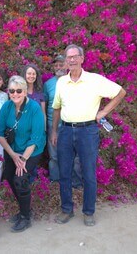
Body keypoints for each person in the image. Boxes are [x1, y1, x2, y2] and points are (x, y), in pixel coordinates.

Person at [51, 44, 126, 226]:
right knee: (65, 173)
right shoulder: (61, 82)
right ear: (66, 61)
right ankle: (66, 210)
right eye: (69, 57)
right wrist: (54, 130)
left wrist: (103, 113)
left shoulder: (95, 80)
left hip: (87, 131)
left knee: (89, 173)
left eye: (75, 56)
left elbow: (120, 92)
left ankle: (88, 212)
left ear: (82, 59)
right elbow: (57, 108)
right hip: (66, 131)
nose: (72, 60)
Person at [0, 76, 46, 233]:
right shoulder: (7, 107)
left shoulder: (34, 108)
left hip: (31, 151)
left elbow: (36, 137)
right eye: (12, 91)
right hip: (13, 150)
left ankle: (25, 217)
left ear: (25, 92)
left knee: (20, 178)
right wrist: (13, 155)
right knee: (9, 176)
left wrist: (23, 159)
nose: (15, 94)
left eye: (19, 90)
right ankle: (25, 209)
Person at [43, 55, 83, 187]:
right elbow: (46, 103)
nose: (58, 67)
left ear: (66, 65)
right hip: (52, 124)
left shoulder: (73, 81)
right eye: (56, 65)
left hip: (71, 125)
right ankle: (55, 182)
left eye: (61, 65)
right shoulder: (48, 84)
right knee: (54, 155)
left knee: (73, 155)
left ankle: (75, 183)